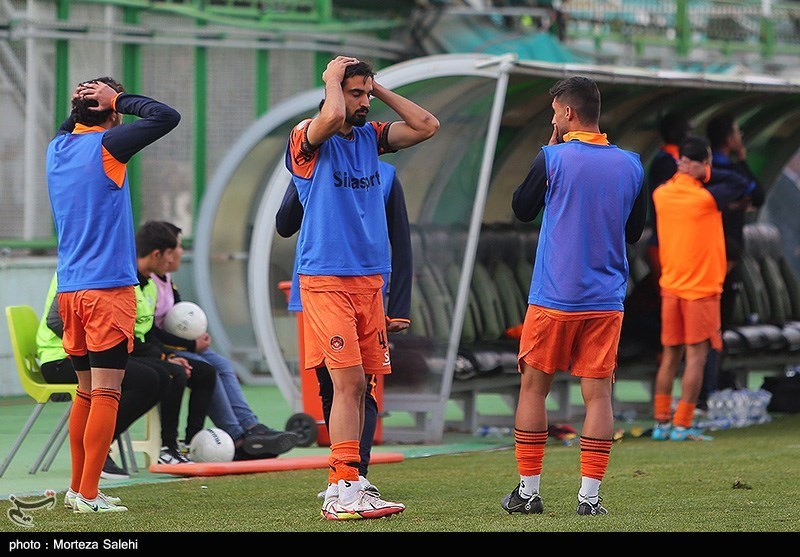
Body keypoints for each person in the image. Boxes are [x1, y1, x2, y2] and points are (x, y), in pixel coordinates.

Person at [284, 55, 438, 520]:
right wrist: (334, 79)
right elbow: (330, 117)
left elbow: (427, 125)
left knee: (362, 386)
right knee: (345, 383)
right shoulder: (306, 137)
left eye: (366, 94)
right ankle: (344, 488)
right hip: (326, 278)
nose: (364, 102)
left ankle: (346, 482)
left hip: (370, 282)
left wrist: (378, 88)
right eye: (356, 94)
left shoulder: (371, 138)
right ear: (333, 92)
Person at [502, 76, 646, 517]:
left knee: (534, 387)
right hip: (605, 299)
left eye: (554, 113)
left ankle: (528, 492)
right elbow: (634, 233)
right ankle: (590, 498)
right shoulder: (632, 164)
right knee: (598, 395)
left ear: (567, 114)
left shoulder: (553, 157)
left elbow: (522, 209)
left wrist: (549, 156)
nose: (553, 120)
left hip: (554, 297)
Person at [45, 77, 180, 513]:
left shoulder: (57, 148)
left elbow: (73, 125)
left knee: (86, 392)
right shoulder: (107, 147)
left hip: (71, 291)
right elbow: (166, 116)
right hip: (107, 291)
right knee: (106, 393)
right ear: (114, 114)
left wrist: (86, 102)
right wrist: (116, 97)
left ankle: (79, 489)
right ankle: (86, 494)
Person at [276, 159, 413, 498]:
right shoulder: (311, 165)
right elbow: (284, 223)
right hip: (319, 287)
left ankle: (357, 474)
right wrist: (303, 179)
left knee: (360, 384)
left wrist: (399, 307)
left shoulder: (385, 174)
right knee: (331, 384)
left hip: (367, 291)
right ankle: (342, 474)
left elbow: (401, 240)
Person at [150, 222, 301, 460]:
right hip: (163, 348)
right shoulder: (146, 283)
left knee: (222, 364)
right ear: (162, 252)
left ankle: (252, 428)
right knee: (207, 370)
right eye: (178, 246)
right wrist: (191, 345)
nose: (180, 251)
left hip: (178, 343)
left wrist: (196, 337)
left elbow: (177, 313)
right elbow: (151, 332)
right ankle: (238, 437)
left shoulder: (167, 278)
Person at [651, 136, 754, 442]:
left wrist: (686, 168)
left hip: (670, 287)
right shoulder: (706, 199)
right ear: (702, 164)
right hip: (702, 290)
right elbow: (741, 182)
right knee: (696, 357)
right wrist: (704, 171)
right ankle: (682, 423)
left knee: (670, 356)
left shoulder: (661, 194)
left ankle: (661, 423)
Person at [36, 273, 163, 482]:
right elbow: (54, 320)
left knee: (91, 389)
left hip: (82, 289)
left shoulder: (72, 264)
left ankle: (79, 490)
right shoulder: (107, 265)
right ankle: (90, 483)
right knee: (109, 387)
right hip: (98, 296)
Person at [131, 221, 217, 464]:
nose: (172, 260)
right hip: (116, 354)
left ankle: (189, 444)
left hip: (141, 349)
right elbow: (132, 337)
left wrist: (166, 355)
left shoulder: (149, 283)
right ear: (157, 254)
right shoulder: (129, 281)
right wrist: (168, 356)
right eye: (171, 253)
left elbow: (145, 334)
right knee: (173, 374)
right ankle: (166, 447)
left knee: (206, 371)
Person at [701, 113, 766, 400]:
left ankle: (713, 384)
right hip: (723, 258)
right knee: (714, 327)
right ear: (729, 139)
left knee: (712, 328)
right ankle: (708, 391)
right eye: (737, 133)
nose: (740, 138)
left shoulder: (705, 170)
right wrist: (742, 159)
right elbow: (758, 193)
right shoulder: (728, 169)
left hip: (712, 256)